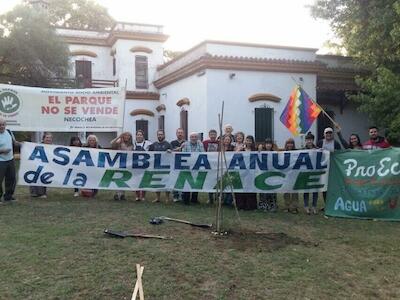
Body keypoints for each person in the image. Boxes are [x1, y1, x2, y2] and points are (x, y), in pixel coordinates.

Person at [235, 135, 257, 210]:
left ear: (252, 142)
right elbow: (235, 156)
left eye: (250, 141)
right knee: (241, 188)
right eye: (247, 140)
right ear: (245, 141)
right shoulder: (242, 150)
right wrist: (238, 150)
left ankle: (250, 205)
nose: (248, 142)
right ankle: (241, 205)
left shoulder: (255, 150)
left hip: (251, 172)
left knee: (250, 188)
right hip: (242, 172)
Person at [148, 130, 172, 203]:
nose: (160, 136)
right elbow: (149, 154)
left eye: (161, 134)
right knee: (157, 182)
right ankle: (157, 198)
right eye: (158, 134)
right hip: (156, 166)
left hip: (166, 166)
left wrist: (170, 151)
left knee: (166, 182)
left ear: (164, 135)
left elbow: (173, 153)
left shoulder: (168, 144)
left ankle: (167, 198)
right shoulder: (153, 144)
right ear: (157, 135)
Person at [181, 132, 204, 204]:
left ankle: (194, 199)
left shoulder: (200, 144)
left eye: (195, 137)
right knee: (187, 182)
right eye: (192, 137)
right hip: (187, 166)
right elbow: (183, 154)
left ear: (197, 138)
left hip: (197, 166)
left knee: (196, 182)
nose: (193, 138)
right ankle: (186, 200)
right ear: (189, 138)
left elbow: (203, 153)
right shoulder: (185, 144)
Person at [110, 132, 134, 201]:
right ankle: (117, 194)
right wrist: (119, 137)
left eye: (128, 136)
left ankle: (123, 194)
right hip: (119, 163)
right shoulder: (119, 142)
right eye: (125, 135)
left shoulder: (131, 145)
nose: (127, 137)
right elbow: (111, 143)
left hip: (127, 164)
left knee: (124, 178)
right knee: (118, 178)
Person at [0, 118, 19, 203]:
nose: (1, 126)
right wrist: (2, 151)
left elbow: (14, 142)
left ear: (5, 125)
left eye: (3, 124)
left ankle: (8, 196)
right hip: (1, 160)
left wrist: (20, 144)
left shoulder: (9, 132)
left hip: (10, 159)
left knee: (12, 178)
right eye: (0, 125)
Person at [30, 132, 53, 198]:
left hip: (47, 165)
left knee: (44, 178)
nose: (48, 139)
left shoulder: (53, 147)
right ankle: (34, 193)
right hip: (37, 164)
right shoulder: (38, 146)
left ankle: (42, 193)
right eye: (47, 137)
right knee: (35, 177)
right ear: (43, 139)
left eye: (50, 138)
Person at [258, 138, 278, 212]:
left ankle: (272, 205)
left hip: (272, 173)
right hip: (263, 173)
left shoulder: (274, 152)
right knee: (263, 189)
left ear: (272, 145)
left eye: (270, 144)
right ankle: (263, 205)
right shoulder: (261, 152)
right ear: (265, 144)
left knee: (272, 189)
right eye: (267, 144)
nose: (268, 145)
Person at [303, 132, 319, 215]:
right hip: (306, 172)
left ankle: (314, 206)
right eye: (308, 140)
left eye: (311, 140)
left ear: (313, 140)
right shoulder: (303, 150)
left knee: (315, 190)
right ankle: (306, 206)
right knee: (306, 190)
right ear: (306, 140)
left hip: (315, 172)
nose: (309, 141)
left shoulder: (318, 149)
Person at [133, 130, 151, 201]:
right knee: (136, 181)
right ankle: (137, 196)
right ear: (136, 136)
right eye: (138, 135)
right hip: (135, 165)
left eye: (140, 135)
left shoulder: (148, 143)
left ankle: (143, 196)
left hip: (144, 165)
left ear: (143, 136)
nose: (139, 136)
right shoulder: (133, 143)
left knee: (144, 181)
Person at [203, 129, 219, 204]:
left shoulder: (219, 142)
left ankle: (217, 197)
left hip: (217, 165)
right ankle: (210, 198)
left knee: (217, 180)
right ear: (209, 135)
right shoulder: (205, 142)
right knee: (210, 181)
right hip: (208, 165)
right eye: (211, 134)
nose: (213, 136)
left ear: (216, 135)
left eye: (214, 134)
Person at [283, 138, 299, 213]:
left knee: (294, 191)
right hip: (286, 175)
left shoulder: (297, 152)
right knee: (286, 191)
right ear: (286, 144)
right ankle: (287, 206)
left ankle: (294, 207)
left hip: (294, 174)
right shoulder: (283, 153)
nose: (290, 145)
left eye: (291, 143)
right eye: (288, 143)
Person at [170, 128, 186, 202]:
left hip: (184, 163)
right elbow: (170, 151)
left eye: (181, 133)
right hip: (175, 164)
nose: (180, 134)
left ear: (183, 134)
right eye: (178, 132)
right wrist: (179, 148)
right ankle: (175, 196)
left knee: (183, 179)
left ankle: (182, 195)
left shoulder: (186, 142)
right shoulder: (172, 142)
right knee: (175, 179)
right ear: (176, 134)